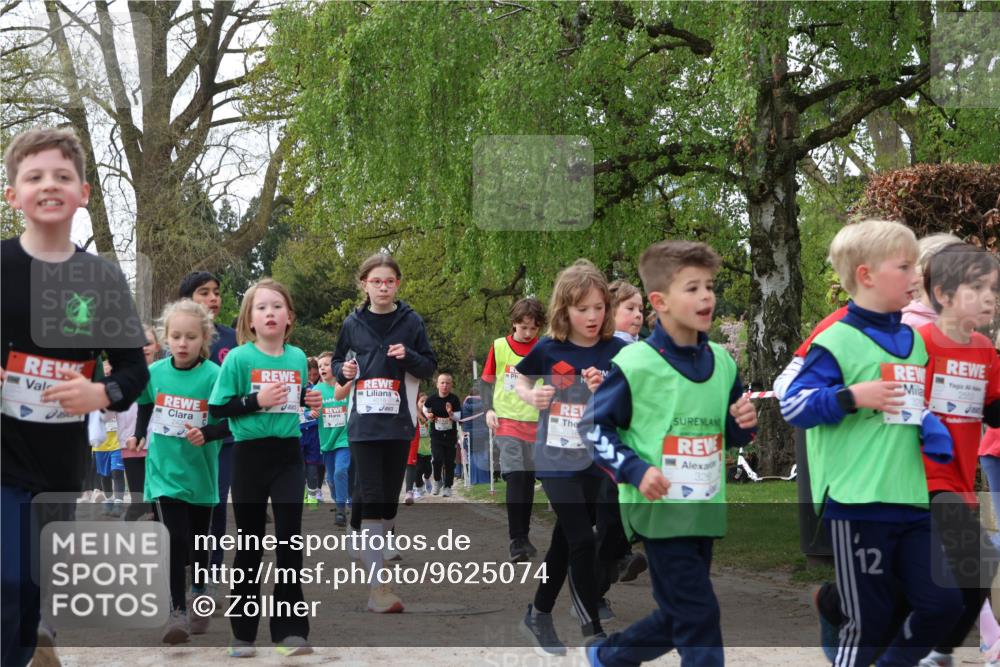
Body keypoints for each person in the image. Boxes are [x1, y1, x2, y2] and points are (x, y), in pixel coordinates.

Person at [782, 219, 962, 667]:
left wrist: (929, 424)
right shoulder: (834, 340)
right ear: (866, 275)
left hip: (911, 500)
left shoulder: (912, 342)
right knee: (869, 622)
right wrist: (850, 398)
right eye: (904, 267)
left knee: (945, 606)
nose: (917, 276)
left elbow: (910, 404)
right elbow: (794, 407)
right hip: (857, 502)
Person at [1, 128, 148, 667]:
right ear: (12, 194)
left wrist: (100, 391)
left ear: (83, 192)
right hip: (2, 455)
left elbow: (134, 371)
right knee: (8, 579)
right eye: (34, 176)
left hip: (61, 464)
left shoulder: (101, 279)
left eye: (62, 176)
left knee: (30, 599)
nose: (49, 185)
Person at [581, 240, 757, 667]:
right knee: (700, 615)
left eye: (710, 286)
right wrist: (635, 468)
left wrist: (742, 422)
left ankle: (610, 655)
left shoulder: (723, 362)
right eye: (692, 288)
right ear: (659, 302)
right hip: (657, 510)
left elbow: (727, 431)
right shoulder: (636, 364)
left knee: (681, 616)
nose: (707, 297)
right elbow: (594, 427)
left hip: (704, 509)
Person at [515, 260, 627, 655]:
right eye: (583, 309)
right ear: (565, 311)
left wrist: (605, 391)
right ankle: (591, 627)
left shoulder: (618, 349)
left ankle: (538, 613)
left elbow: (634, 398)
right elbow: (519, 376)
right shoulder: (548, 348)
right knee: (582, 538)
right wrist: (532, 395)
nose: (593, 317)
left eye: (599, 308)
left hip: (597, 460)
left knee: (565, 541)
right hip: (556, 459)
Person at [208, 278, 321, 658]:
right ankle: (243, 632)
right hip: (249, 455)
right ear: (250, 320)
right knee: (250, 543)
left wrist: (310, 399)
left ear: (289, 316)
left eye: (277, 306)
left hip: (288, 454)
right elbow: (219, 408)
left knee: (290, 540)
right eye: (261, 307)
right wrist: (255, 400)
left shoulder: (297, 358)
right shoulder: (239, 358)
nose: (270, 312)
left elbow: (295, 401)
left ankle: (290, 631)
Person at [331, 253, 436, 613]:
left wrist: (407, 355)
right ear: (364, 284)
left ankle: (367, 537)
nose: (383, 287)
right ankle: (378, 587)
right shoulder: (352, 323)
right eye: (376, 281)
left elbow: (429, 363)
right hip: (363, 425)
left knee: (388, 500)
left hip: (399, 422)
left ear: (398, 284)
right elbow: (336, 364)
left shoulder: (411, 322)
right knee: (373, 493)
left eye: (389, 281)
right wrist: (343, 369)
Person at [129, 299, 229, 644]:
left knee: (199, 543)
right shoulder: (154, 374)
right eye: (176, 336)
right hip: (163, 473)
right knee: (175, 540)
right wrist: (140, 433)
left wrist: (209, 433)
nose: (183, 343)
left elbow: (231, 423)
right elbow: (145, 404)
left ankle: (199, 593)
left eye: (190, 336)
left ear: (204, 339)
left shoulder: (215, 377)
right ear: (165, 338)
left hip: (201, 474)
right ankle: (177, 611)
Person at [178, 271, 239, 588]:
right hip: (182, 439)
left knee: (214, 505)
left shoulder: (233, 339)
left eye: (216, 291)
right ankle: (186, 568)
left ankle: (208, 574)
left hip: (223, 440)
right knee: (184, 507)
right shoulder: (175, 340)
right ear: (188, 300)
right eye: (204, 292)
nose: (213, 298)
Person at [481, 297, 546, 562]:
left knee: (528, 481)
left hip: (537, 423)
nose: (528, 333)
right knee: (516, 475)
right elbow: (486, 382)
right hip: (507, 421)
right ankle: (516, 541)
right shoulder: (499, 347)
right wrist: (489, 409)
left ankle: (524, 535)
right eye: (523, 328)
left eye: (533, 328)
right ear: (514, 323)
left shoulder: (544, 348)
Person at [122, 325, 160, 521]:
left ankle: (166, 544)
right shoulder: (121, 374)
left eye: (148, 343)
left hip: (159, 444)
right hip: (130, 443)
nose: (143, 347)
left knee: (158, 501)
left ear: (157, 346)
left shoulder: (163, 372)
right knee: (139, 501)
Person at [315, 352, 350, 525]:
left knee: (340, 471)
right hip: (327, 441)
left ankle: (341, 511)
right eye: (320, 366)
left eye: (327, 364)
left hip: (345, 439)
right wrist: (312, 413)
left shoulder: (345, 387)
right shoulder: (316, 390)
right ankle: (340, 503)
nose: (322, 368)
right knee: (330, 478)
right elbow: (308, 412)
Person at [424, 373, 462, 496]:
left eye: (447, 383)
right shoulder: (432, 399)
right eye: (442, 383)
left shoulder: (454, 399)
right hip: (436, 435)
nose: (445, 385)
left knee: (449, 462)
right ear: (437, 385)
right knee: (437, 459)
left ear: (451, 385)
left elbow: (458, 417)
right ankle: (437, 481)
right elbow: (425, 408)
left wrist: (451, 413)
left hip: (450, 435)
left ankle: (447, 486)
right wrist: (428, 415)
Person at [404, 393, 432, 504]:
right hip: (417, 450)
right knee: (417, 470)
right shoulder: (414, 418)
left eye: (426, 402)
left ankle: (427, 479)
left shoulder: (430, 417)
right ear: (416, 404)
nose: (423, 404)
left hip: (428, 450)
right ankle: (418, 489)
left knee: (428, 470)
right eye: (421, 401)